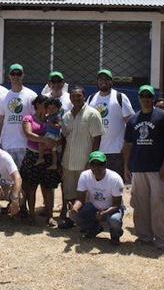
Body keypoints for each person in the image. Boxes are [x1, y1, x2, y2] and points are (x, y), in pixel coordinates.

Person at [123, 84, 164, 254]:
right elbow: (128, 145)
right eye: (143, 95)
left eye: (149, 95)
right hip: (138, 167)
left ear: (153, 98)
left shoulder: (163, 117)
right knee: (140, 204)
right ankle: (144, 237)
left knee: (158, 205)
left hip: (156, 168)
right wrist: (127, 166)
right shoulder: (133, 120)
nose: (146, 98)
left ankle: (161, 240)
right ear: (138, 97)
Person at [59, 85, 104, 229]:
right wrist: (61, 160)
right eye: (73, 96)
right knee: (69, 192)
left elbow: (97, 138)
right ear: (70, 98)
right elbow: (64, 139)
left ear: (84, 96)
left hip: (84, 162)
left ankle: (87, 222)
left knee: (84, 194)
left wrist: (92, 162)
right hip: (68, 162)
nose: (76, 98)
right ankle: (71, 219)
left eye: (79, 96)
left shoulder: (92, 114)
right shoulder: (66, 116)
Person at [20, 95, 61, 226]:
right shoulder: (29, 118)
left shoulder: (51, 119)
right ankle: (31, 215)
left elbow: (61, 134)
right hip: (33, 156)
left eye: (48, 105)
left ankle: (50, 216)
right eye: (44, 104)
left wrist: (55, 141)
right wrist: (44, 140)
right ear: (37, 104)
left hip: (49, 156)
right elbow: (28, 134)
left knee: (48, 188)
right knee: (31, 187)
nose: (47, 107)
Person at [69, 151, 125, 245]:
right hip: (94, 208)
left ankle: (115, 235)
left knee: (114, 220)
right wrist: (75, 208)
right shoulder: (84, 176)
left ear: (105, 164)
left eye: (100, 164)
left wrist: (105, 212)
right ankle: (94, 228)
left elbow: (117, 205)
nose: (97, 167)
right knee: (73, 215)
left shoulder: (115, 179)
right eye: (93, 164)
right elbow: (80, 199)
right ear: (89, 165)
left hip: (112, 209)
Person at [87, 69, 134, 178]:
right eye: (100, 79)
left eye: (106, 79)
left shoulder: (120, 97)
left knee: (115, 186)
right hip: (96, 152)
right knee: (97, 187)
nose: (103, 81)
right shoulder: (91, 98)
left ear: (111, 82)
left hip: (116, 151)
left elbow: (131, 124)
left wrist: (127, 146)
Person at [0, 64, 37, 169]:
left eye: (18, 73)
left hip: (26, 146)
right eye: (13, 73)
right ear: (9, 76)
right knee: (9, 180)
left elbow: (37, 119)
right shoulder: (3, 97)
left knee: (25, 181)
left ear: (23, 75)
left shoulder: (31, 96)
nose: (15, 76)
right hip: (7, 145)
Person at [39, 97, 62, 170]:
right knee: (52, 150)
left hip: (54, 135)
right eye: (49, 108)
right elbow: (43, 120)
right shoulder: (49, 115)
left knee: (53, 150)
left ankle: (42, 158)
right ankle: (43, 159)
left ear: (58, 108)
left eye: (53, 108)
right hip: (49, 134)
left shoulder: (57, 116)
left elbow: (59, 126)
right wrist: (44, 115)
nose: (51, 110)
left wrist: (51, 124)